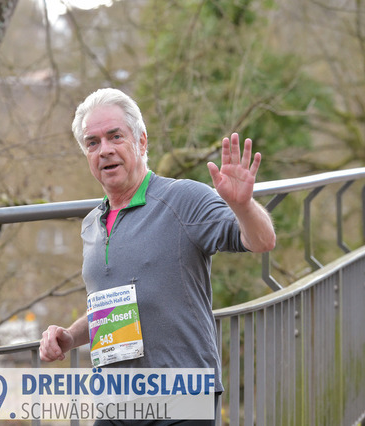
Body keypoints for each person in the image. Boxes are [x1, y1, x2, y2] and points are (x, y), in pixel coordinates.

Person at [39, 88, 276, 425]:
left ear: (141, 141)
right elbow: (113, 308)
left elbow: (262, 241)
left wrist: (243, 206)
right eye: (93, 143)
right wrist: (70, 336)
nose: (105, 150)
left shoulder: (183, 198)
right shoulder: (92, 224)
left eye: (115, 136)